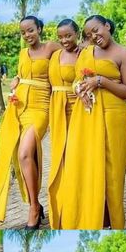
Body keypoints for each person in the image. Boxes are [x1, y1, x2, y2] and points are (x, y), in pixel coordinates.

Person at [61, 14, 126, 229]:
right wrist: (79, 88)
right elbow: (77, 79)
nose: (93, 36)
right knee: (89, 167)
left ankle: (115, 222)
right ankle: (96, 218)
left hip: (114, 117)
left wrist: (101, 81)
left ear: (107, 25)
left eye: (96, 30)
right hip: (87, 115)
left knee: (113, 173)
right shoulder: (86, 53)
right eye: (88, 34)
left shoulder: (124, 54)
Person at [0, 15, 60, 229]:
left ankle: (33, 208)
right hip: (19, 107)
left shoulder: (52, 48)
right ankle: (35, 204)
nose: (27, 35)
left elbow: (72, 55)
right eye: (23, 32)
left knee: (24, 153)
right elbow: (21, 74)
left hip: (41, 109)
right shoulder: (22, 53)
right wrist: (16, 80)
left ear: (40, 29)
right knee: (26, 158)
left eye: (31, 30)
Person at [48, 19, 79, 228]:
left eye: (68, 35)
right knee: (60, 157)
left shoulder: (85, 54)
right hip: (57, 110)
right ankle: (61, 207)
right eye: (60, 37)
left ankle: (76, 207)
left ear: (76, 33)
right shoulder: (55, 55)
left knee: (76, 158)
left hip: (79, 110)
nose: (64, 40)